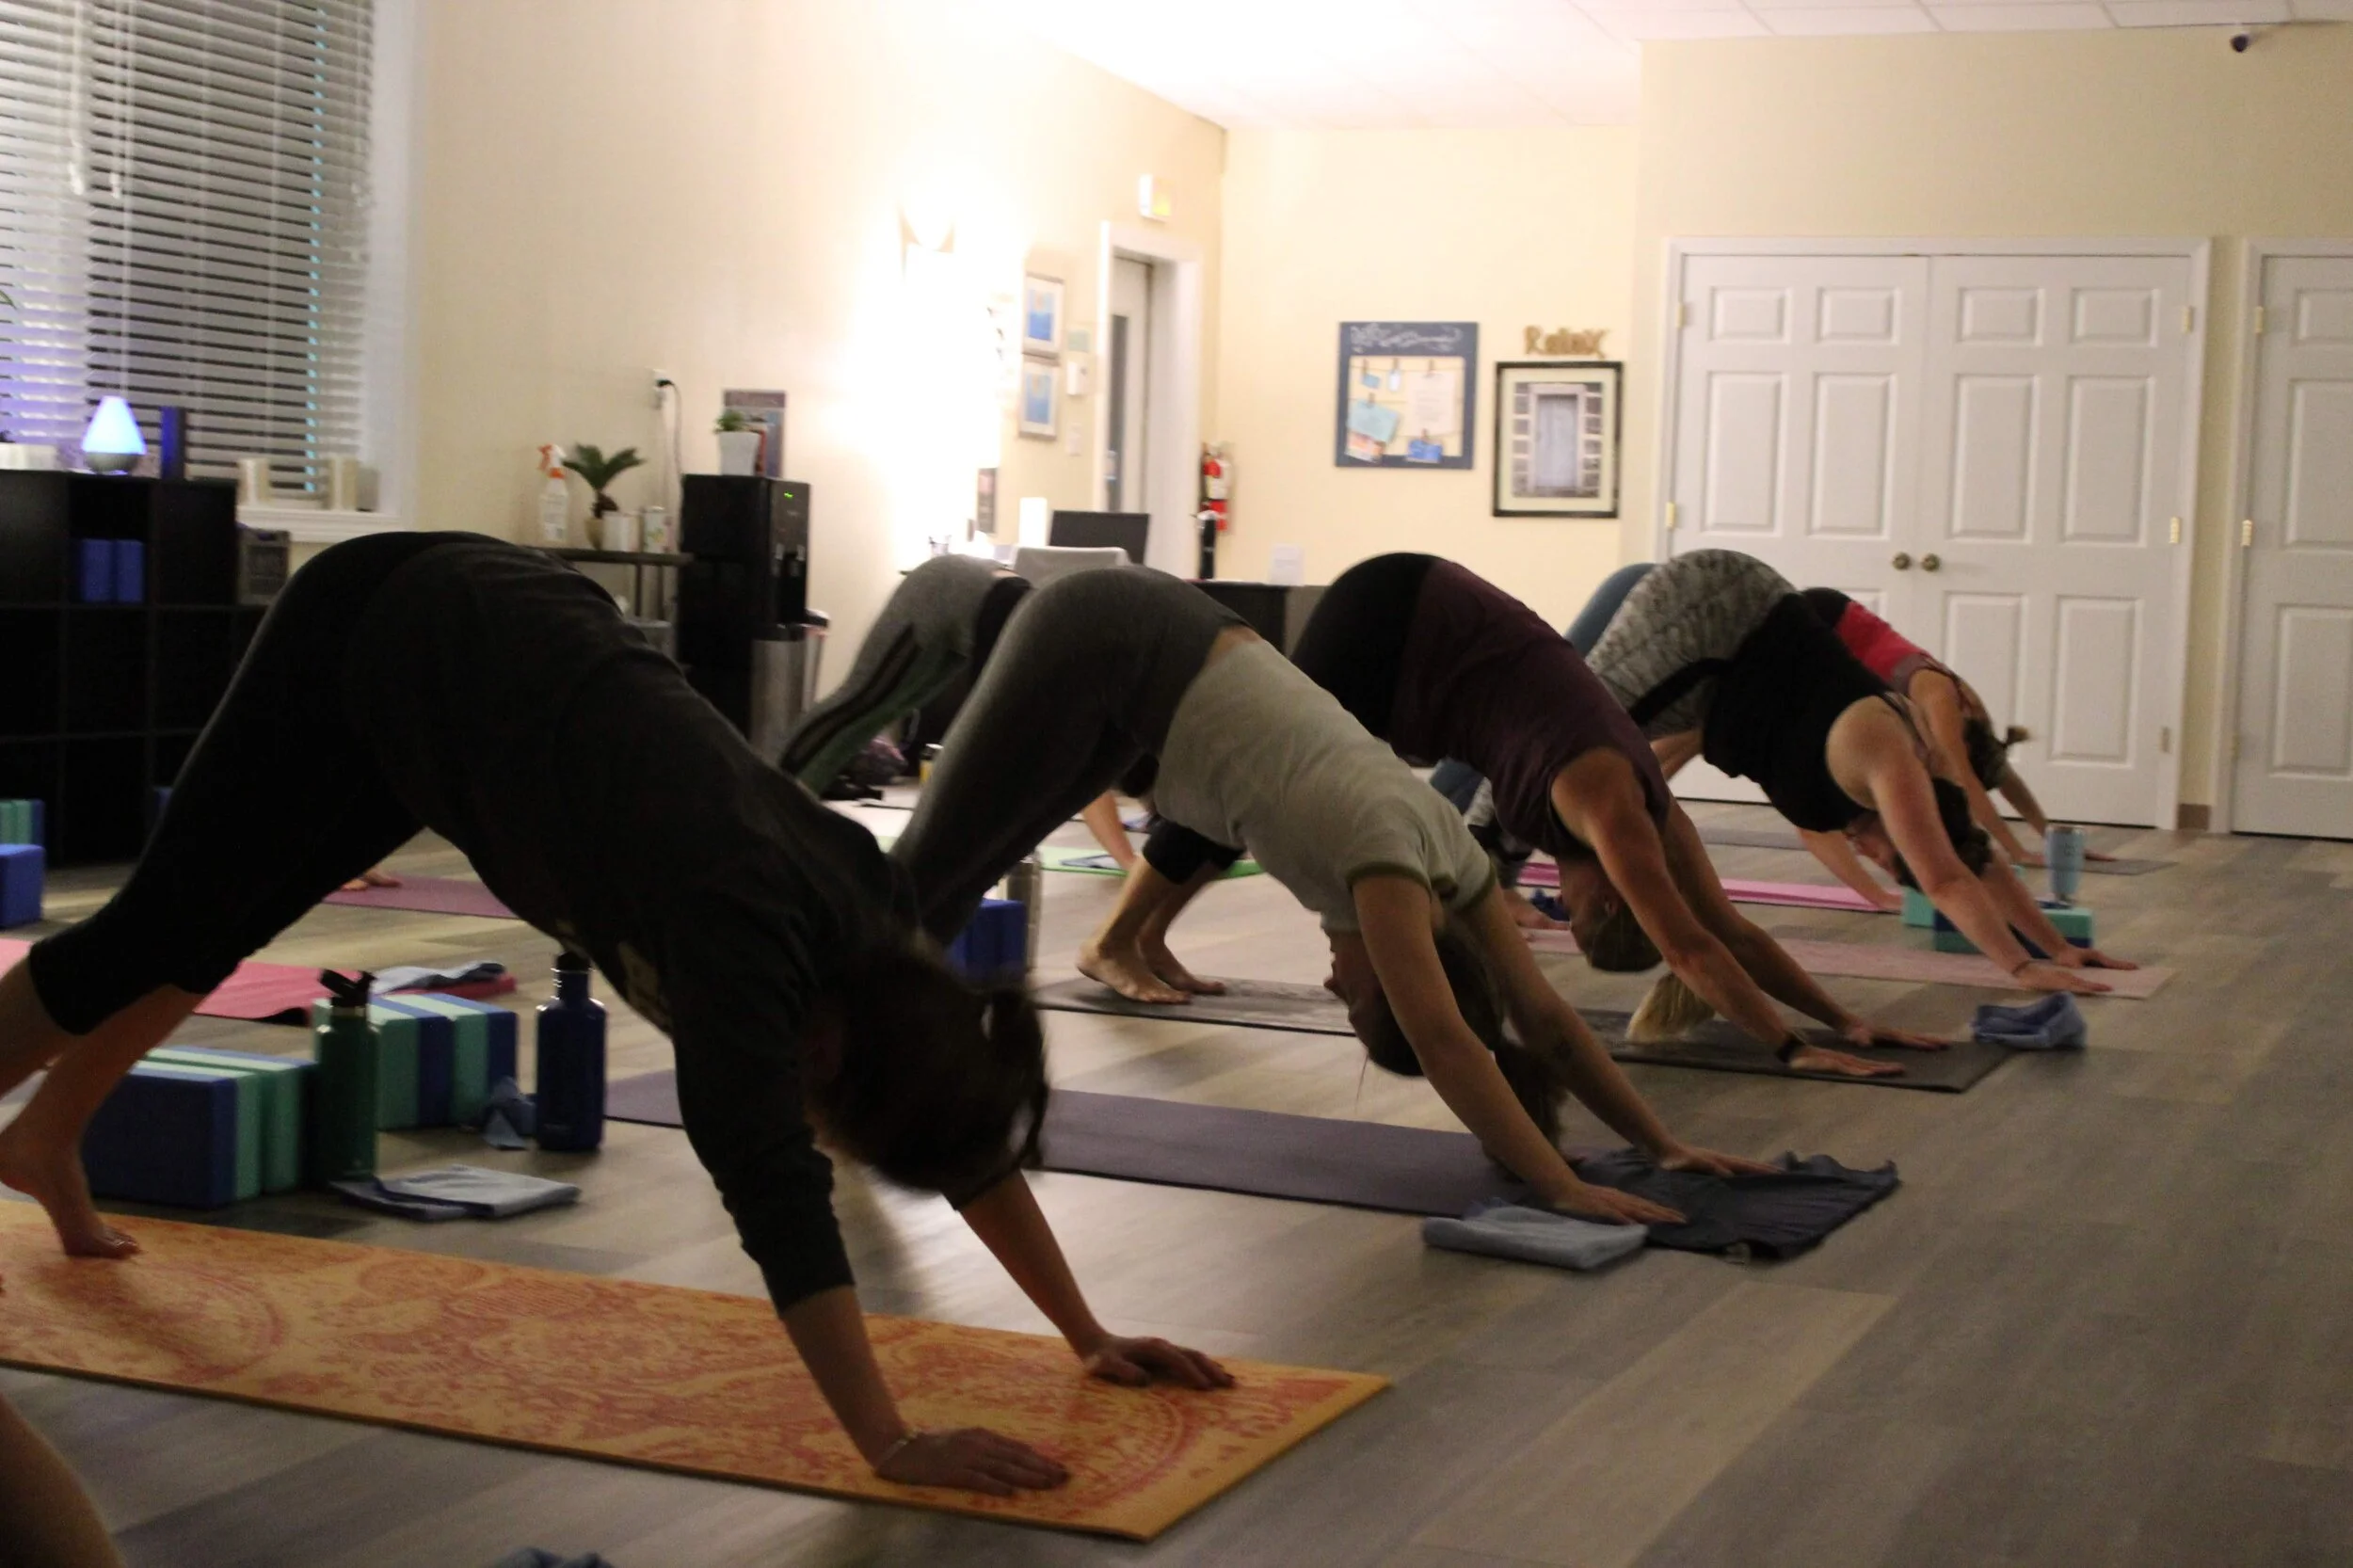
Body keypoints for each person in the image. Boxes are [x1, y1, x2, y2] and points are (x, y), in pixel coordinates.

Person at [0, 534, 1224, 1498]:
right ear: (824, 1056)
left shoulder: (881, 946)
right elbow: (780, 1205)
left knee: (218, 916)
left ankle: (48, 1137)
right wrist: (889, 1441)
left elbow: (952, 1121)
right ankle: (43, 1131)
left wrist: (1086, 1333)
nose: (821, 1136)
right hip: (391, 621)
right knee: (152, 928)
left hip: (495, 669)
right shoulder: (741, 957)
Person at [891, 565, 1776, 1224]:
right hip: (1111, 631)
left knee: (949, 887)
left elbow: (1542, 1022)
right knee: (926, 879)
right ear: (1390, 976)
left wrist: (1661, 1146)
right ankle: (840, 1064)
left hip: (1157, 657)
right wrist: (1560, 1185)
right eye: (1353, 1004)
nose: (1327, 986)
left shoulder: (1454, 865)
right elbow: (1447, 1038)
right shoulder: (1381, 871)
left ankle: (863, 1066)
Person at [1091, 554, 1945, 1078]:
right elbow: (1689, 947)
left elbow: (1727, 931)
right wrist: (1790, 1047)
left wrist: (1844, 1022)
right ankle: (1118, 939)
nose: (1556, 907)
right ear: (1603, 897)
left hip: (1436, 624)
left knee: (1266, 777)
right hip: (1400, 624)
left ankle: (1144, 935)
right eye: (1574, 916)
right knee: (1259, 775)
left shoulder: (1656, 819)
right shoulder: (1612, 810)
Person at [1579, 551, 2133, 992]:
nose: (1870, 857)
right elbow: (1944, 878)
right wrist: (2021, 967)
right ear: (1898, 822)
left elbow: (1975, 860)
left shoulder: (1889, 787)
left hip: (1720, 679)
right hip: (1717, 618)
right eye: (1889, 858)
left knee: (1599, 760)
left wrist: (2059, 948)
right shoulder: (1885, 754)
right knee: (1562, 739)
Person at [776, 553, 1136, 866]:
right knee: (861, 703)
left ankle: (793, 815)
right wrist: (1129, 861)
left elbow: (1085, 778)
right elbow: (1089, 783)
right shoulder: (1075, 671)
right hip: (943, 589)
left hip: (981, 607)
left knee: (893, 707)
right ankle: (771, 802)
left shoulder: (1099, 681)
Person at [1801, 588, 2090, 876]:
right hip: (1829, 618)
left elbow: (2004, 775)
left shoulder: (1973, 714)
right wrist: (2017, 851)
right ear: (1966, 745)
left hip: (1840, 628)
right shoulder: (1942, 702)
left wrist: (2057, 842)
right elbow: (1966, 782)